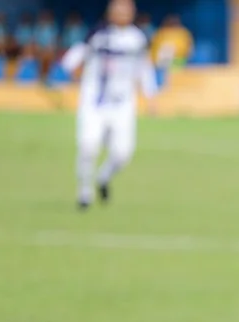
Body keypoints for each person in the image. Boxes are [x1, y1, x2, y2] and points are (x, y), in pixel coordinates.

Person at [61, 0, 158, 210]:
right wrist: (72, 70)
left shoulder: (137, 38)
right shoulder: (97, 34)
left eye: (127, 10)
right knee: (88, 145)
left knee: (122, 154)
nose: (122, 13)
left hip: (122, 104)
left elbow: (145, 69)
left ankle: (103, 177)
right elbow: (73, 58)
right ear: (110, 12)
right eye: (119, 9)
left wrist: (151, 98)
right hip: (94, 101)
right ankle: (84, 193)